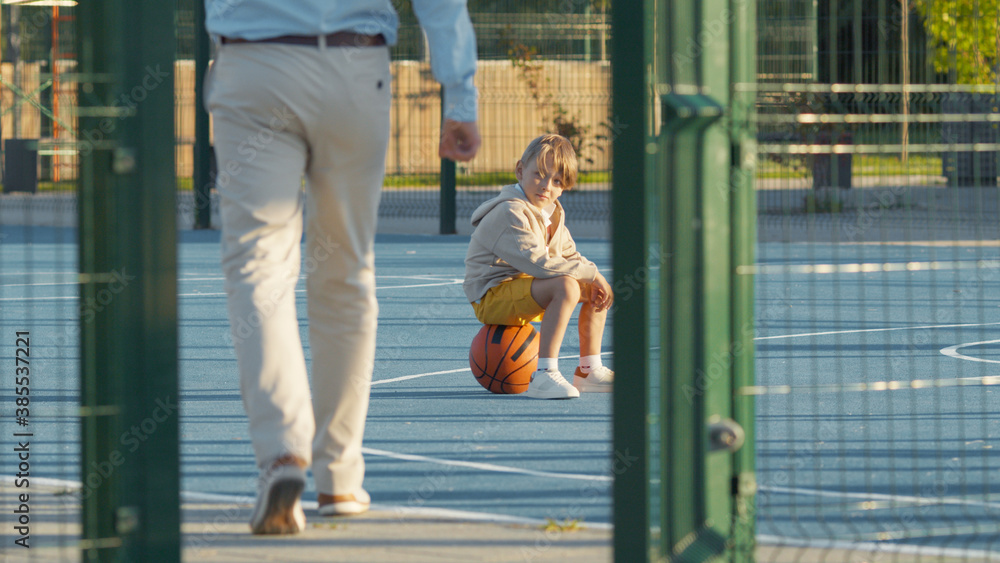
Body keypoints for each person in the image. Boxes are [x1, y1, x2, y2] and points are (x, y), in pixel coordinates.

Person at [203, 0, 481, 535]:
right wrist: (460, 96)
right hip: (356, 68)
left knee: (259, 266)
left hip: (254, 66)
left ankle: (283, 453)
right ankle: (340, 477)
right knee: (347, 272)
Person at [464, 134, 613, 400]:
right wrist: (591, 273)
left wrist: (594, 275)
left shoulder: (552, 211)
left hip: (526, 289)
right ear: (520, 170)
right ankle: (544, 374)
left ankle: (588, 370)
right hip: (492, 295)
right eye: (539, 175)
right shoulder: (510, 212)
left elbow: (570, 255)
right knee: (567, 284)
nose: (546, 186)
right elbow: (539, 264)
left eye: (557, 181)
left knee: (594, 288)